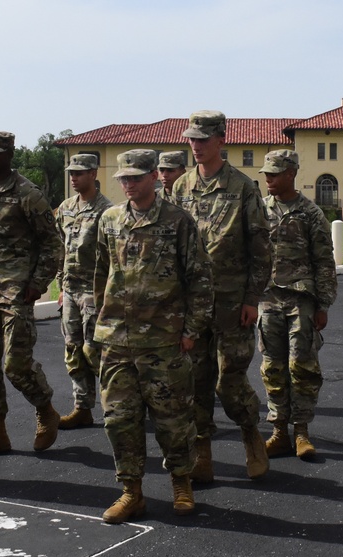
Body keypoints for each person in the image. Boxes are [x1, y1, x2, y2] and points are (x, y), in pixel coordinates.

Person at [94, 149, 213, 523]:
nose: (128, 184)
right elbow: (101, 273)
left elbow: (199, 278)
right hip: (117, 339)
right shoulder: (110, 219)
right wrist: (99, 321)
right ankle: (132, 491)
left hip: (164, 339)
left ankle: (182, 482)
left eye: (135, 177)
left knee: (173, 419)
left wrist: (192, 330)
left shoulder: (179, 221)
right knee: (119, 420)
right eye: (123, 179)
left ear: (152, 178)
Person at [169, 110, 272, 482]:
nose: (195, 146)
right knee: (195, 383)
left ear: (220, 141)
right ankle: (203, 454)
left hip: (232, 305)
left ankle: (250, 435)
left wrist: (251, 299)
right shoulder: (180, 187)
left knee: (229, 382)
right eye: (191, 139)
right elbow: (174, 245)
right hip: (193, 307)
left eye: (203, 139)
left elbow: (261, 248)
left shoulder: (243, 187)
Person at [0, 131, 64, 457]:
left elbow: (53, 243)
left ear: (9, 155)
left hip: (17, 291)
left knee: (16, 365)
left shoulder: (28, 194)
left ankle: (45, 409)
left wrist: (37, 283)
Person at [256, 150, 337, 460]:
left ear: (291, 174)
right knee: (272, 368)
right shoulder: (260, 211)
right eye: (266, 173)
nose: (268, 178)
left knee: (301, 366)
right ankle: (278, 431)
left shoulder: (310, 213)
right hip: (268, 300)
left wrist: (323, 304)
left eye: (274, 173)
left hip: (301, 301)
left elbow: (324, 262)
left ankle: (301, 431)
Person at [55, 154, 112, 429]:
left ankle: (119, 402)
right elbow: (60, 250)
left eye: (79, 173)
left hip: (94, 291)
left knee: (95, 352)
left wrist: (107, 296)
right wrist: (60, 286)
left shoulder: (107, 211)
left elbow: (113, 257)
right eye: (71, 173)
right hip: (70, 290)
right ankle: (82, 407)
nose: (73, 178)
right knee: (73, 350)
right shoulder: (65, 208)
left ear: (93, 173)